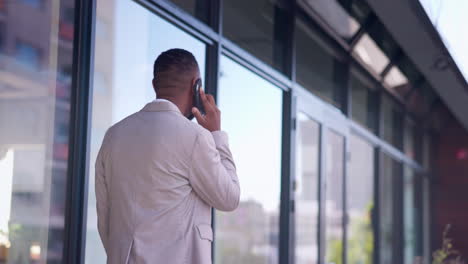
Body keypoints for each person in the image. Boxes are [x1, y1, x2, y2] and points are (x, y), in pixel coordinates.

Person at [95, 48, 240, 264]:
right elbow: (229, 198)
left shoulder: (113, 135)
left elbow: (104, 217)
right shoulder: (196, 137)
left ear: (154, 85)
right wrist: (217, 135)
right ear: (196, 85)